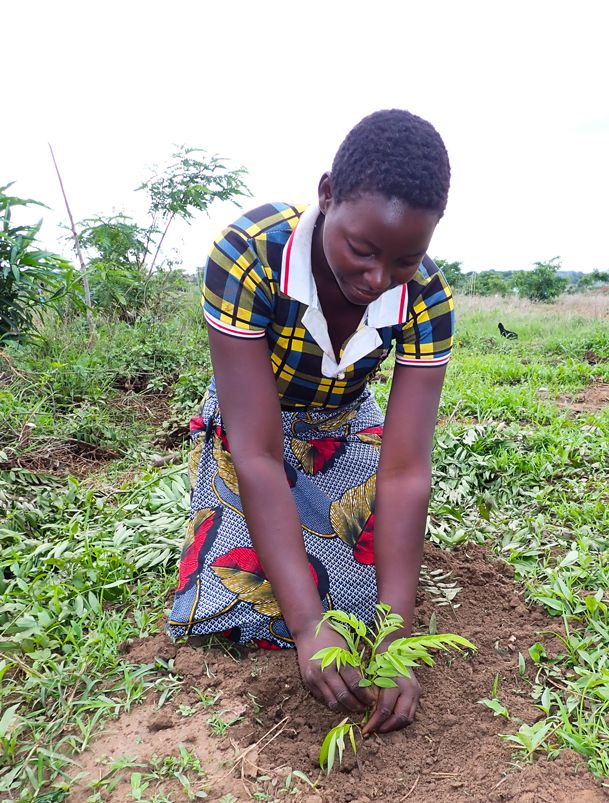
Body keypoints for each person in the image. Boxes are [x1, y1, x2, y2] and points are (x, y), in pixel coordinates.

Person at [167, 109, 456, 733]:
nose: (378, 279)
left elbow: (404, 471)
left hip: (345, 424)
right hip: (254, 428)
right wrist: (304, 625)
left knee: (360, 603)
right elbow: (257, 454)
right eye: (362, 249)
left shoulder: (428, 298)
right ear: (326, 195)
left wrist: (393, 636)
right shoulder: (248, 255)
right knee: (230, 597)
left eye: (406, 259)